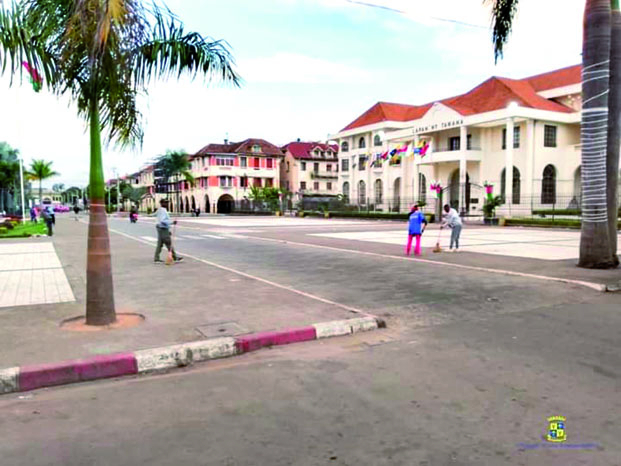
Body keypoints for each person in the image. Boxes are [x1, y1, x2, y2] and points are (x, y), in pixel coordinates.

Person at [154, 199, 183, 264]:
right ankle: (174, 257)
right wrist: (172, 222)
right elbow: (162, 220)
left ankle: (156, 258)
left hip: (161, 228)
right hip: (162, 228)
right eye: (166, 203)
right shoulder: (163, 211)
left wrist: (168, 229)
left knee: (160, 244)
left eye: (167, 202)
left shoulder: (160, 210)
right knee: (168, 242)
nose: (167, 204)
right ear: (162, 203)